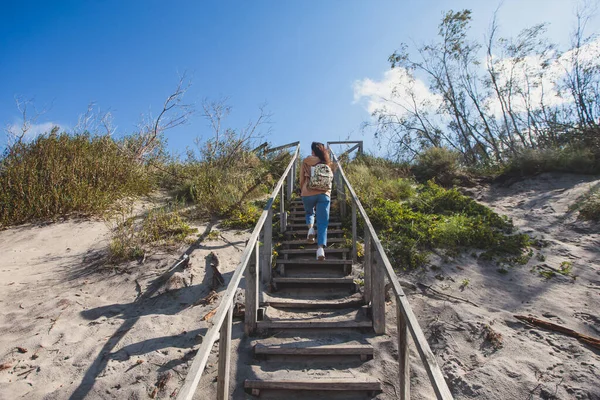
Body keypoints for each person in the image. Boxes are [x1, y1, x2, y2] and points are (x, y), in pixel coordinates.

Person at [299, 142, 334, 261]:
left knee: (309, 213)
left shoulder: (306, 161)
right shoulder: (326, 162)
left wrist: (302, 190)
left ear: (312, 151)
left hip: (308, 192)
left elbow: (302, 178)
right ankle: (320, 250)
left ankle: (310, 229)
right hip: (324, 194)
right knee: (323, 223)